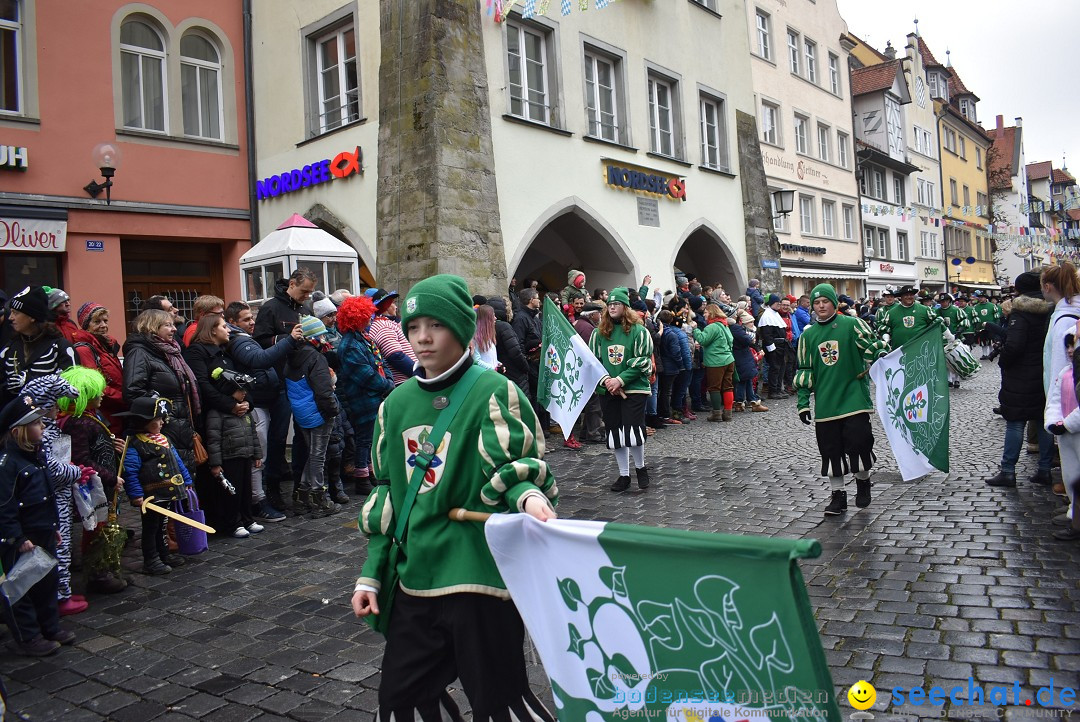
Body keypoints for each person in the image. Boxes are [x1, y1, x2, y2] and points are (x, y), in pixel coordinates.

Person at [352, 275, 557, 722]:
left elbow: (512, 469)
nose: (422, 338)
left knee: (497, 700)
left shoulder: (493, 391)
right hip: (416, 576)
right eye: (413, 326)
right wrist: (371, 575)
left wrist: (528, 498)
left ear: (462, 329)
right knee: (399, 698)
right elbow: (388, 493)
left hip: (477, 578)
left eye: (436, 325)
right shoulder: (396, 403)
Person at [794, 284, 888, 516]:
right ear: (812, 307)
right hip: (826, 403)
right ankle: (838, 497)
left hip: (853, 398)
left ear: (834, 303)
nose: (821, 305)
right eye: (816, 303)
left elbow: (870, 348)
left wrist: (880, 354)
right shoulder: (808, 336)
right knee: (830, 451)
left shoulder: (852, 324)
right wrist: (803, 402)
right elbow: (805, 371)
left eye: (825, 301)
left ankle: (863, 482)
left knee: (860, 443)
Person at [0, 395, 75, 656]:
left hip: (42, 529)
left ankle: (49, 626)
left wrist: (53, 525)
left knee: (46, 583)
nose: (43, 426)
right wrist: (16, 538)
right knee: (22, 588)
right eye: (36, 423)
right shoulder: (9, 464)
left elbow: (47, 494)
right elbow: (5, 506)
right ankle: (27, 636)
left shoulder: (37, 456)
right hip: (23, 537)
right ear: (19, 430)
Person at [223, 301, 300, 523]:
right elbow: (260, 359)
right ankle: (258, 501)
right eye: (246, 319)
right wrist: (289, 340)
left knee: (265, 450)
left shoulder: (246, 339)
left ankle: (261, 496)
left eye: (252, 317)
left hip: (267, 398)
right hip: (256, 403)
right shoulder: (238, 341)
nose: (252, 322)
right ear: (232, 322)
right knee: (259, 454)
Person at [184, 314, 261, 537]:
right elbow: (203, 387)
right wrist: (230, 405)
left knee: (244, 473)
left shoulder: (225, 354)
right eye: (223, 326)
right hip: (218, 420)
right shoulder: (197, 353)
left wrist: (247, 402)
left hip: (238, 419)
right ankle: (229, 520)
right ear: (211, 330)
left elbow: (241, 381)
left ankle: (246, 517)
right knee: (228, 474)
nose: (228, 330)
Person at [21, 374, 90, 617]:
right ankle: (60, 596)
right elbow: (53, 469)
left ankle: (65, 590)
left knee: (64, 542)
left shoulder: (48, 430)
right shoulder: (43, 435)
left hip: (59, 495)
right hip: (53, 498)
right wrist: (75, 470)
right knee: (58, 545)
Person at [56, 366, 126, 594]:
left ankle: (106, 568)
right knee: (95, 528)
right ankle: (98, 574)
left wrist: (111, 443)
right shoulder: (78, 422)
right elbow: (81, 459)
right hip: (92, 488)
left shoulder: (89, 418)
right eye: (98, 391)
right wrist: (110, 477)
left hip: (101, 485)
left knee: (102, 526)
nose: (103, 394)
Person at [253, 267, 317, 512]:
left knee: (304, 434)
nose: (307, 296)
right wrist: (285, 338)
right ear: (291, 284)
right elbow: (259, 343)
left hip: (303, 378)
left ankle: (301, 486)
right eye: (304, 291)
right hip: (279, 380)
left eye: (310, 292)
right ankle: (273, 488)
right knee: (278, 437)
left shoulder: (305, 308)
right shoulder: (270, 308)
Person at [985, 271, 1054, 488]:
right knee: (1042, 423)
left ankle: (1007, 471)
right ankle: (1045, 469)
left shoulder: (1020, 313)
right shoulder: (1051, 310)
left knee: (1015, 423)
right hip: (1044, 372)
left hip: (1021, 376)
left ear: (1019, 290)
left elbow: (1014, 346)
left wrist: (1003, 361)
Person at [120, 397, 194, 575]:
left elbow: (177, 462)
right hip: (151, 495)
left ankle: (164, 553)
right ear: (144, 421)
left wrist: (186, 480)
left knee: (162, 524)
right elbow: (130, 471)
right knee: (151, 527)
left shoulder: (164, 439)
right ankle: (151, 560)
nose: (162, 422)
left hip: (167, 492)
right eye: (158, 420)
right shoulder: (135, 444)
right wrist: (136, 494)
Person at [589, 287, 654, 492]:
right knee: (615, 432)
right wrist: (607, 381)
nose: (612, 307)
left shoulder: (639, 331)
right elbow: (593, 363)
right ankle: (624, 475)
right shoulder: (598, 333)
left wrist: (620, 380)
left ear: (625, 307)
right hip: (608, 389)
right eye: (610, 305)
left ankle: (640, 468)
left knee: (633, 431)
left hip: (634, 389)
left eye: (616, 304)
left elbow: (643, 361)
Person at [123, 310, 201, 476]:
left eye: (173, 324)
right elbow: (133, 392)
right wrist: (162, 415)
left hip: (179, 431)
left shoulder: (170, 353)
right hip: (161, 433)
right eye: (168, 325)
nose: (174, 329)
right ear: (151, 327)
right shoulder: (140, 352)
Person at [336, 296, 395, 497]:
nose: (371, 317)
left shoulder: (364, 338)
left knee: (370, 438)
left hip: (374, 395)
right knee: (364, 438)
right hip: (363, 397)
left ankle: (369, 473)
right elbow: (365, 375)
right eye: (366, 315)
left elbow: (381, 362)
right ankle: (362, 478)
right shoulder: (350, 344)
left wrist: (389, 380)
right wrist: (387, 385)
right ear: (356, 318)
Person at [285, 315, 340, 516]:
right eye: (321, 335)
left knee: (312, 455)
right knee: (318, 457)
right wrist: (333, 410)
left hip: (302, 414)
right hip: (319, 412)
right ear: (312, 337)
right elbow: (324, 391)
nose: (325, 339)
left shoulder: (292, 356)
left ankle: (301, 496)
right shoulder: (316, 358)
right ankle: (320, 501)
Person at [204, 358, 263, 540]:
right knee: (232, 493)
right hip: (230, 458)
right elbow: (213, 440)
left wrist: (257, 453)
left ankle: (248, 519)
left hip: (245, 455)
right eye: (240, 390)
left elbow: (253, 433)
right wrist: (215, 463)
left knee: (246, 490)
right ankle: (234, 522)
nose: (244, 394)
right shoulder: (217, 414)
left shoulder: (244, 412)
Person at [1040, 263, 1080, 521]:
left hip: (1069, 402)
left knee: (1073, 463)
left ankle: (1075, 515)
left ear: (1048, 286)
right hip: (1068, 401)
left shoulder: (1065, 318)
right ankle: (1074, 509)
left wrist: (1053, 411)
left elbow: (1060, 368)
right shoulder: (1067, 313)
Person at [0, 286, 76, 406]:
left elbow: (73, 389)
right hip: (17, 421)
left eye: (16, 313)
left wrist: (30, 381)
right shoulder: (8, 349)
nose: (10, 317)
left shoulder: (60, 347)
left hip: (52, 419)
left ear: (32, 317)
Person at [1045, 320, 1080, 541]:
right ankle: (1073, 510)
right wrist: (1053, 421)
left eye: (1073, 345)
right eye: (1066, 346)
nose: (1069, 351)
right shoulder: (1066, 373)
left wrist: (1068, 423)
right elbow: (1055, 399)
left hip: (1074, 429)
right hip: (1066, 433)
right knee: (1070, 474)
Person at [70, 302, 126, 434]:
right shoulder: (84, 349)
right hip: (105, 412)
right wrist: (124, 398)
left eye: (105, 321)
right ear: (86, 325)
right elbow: (95, 386)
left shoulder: (106, 346)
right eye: (97, 322)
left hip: (117, 411)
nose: (103, 326)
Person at [693, 304, 736, 422]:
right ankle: (728, 413)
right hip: (728, 359)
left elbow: (702, 339)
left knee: (714, 388)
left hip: (716, 361)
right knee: (728, 387)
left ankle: (716, 413)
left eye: (706, 312)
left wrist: (695, 329)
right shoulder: (724, 324)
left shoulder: (712, 327)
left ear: (711, 313)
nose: (704, 315)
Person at [366, 289, 417, 386]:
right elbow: (395, 356)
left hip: (408, 380)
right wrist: (419, 372)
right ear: (386, 306)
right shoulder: (383, 326)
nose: (396, 306)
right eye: (393, 303)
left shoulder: (386, 323)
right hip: (404, 382)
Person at [877, 285, 945, 351]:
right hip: (899, 352)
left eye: (911, 295)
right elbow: (883, 327)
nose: (909, 297)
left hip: (921, 351)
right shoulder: (891, 313)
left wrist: (949, 336)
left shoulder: (925, 310)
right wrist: (886, 339)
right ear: (901, 297)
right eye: (906, 295)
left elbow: (938, 322)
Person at [485, 296, 530, 394]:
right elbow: (515, 351)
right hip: (513, 372)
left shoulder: (485, 327)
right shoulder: (504, 327)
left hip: (498, 371)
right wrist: (526, 367)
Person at [730, 320, 767, 413]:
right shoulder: (735, 328)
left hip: (740, 356)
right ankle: (743, 402)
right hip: (741, 356)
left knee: (747, 379)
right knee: (744, 379)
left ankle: (751, 401)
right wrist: (751, 339)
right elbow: (747, 340)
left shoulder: (733, 327)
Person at [757, 294, 789, 399]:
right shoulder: (767, 316)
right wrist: (772, 349)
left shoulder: (775, 314)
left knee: (781, 368)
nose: (779, 305)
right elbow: (767, 335)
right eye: (777, 303)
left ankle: (779, 389)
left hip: (780, 345)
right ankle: (773, 391)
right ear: (771, 303)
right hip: (774, 346)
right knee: (774, 369)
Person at [935, 294, 969, 389]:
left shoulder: (956, 310)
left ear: (949, 301)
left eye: (945, 301)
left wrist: (959, 331)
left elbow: (965, 321)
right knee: (945, 360)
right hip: (942, 339)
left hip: (955, 337)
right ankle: (948, 379)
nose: (943, 303)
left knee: (956, 358)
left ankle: (956, 379)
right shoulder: (937, 311)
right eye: (941, 302)